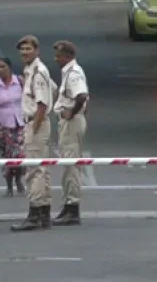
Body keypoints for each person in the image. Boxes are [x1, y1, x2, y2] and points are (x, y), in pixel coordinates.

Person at [11, 34, 56, 232]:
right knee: (42, 170)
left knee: (34, 170)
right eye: (22, 49)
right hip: (37, 122)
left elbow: (42, 103)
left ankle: (35, 213)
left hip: (36, 122)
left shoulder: (38, 71)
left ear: (36, 50)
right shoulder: (32, 71)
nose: (25, 52)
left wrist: (35, 127)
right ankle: (44, 213)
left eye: (28, 49)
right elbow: (53, 89)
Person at [51, 40, 90, 226]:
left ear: (67, 56)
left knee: (71, 164)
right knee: (67, 166)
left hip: (71, 122)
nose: (56, 59)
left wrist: (72, 113)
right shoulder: (70, 72)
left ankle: (73, 207)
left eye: (58, 56)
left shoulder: (73, 74)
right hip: (71, 121)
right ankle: (67, 205)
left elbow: (81, 95)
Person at [0, 57, 25, 196]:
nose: (0, 70)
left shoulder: (20, 81)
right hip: (4, 126)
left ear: (9, 68)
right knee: (7, 157)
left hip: (20, 124)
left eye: (3, 66)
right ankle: (9, 185)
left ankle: (19, 179)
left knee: (20, 155)